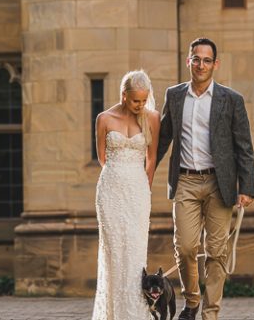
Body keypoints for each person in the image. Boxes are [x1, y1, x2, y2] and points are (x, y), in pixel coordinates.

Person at [156, 37, 254, 320]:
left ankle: (210, 313)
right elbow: (164, 138)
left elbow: (244, 146)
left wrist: (246, 187)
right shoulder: (174, 96)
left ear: (215, 64)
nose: (201, 65)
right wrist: (143, 171)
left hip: (219, 184)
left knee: (216, 251)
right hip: (185, 180)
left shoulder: (231, 99)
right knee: (186, 246)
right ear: (188, 61)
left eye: (207, 60)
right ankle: (192, 300)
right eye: (196, 59)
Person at [92, 70, 160, 320]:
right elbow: (102, 158)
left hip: (138, 193)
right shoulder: (104, 118)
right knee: (114, 253)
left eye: (144, 100)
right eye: (135, 100)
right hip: (111, 192)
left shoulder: (152, 118)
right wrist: (120, 178)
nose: (140, 105)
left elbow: (151, 160)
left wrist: (144, 187)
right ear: (124, 95)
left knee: (134, 253)